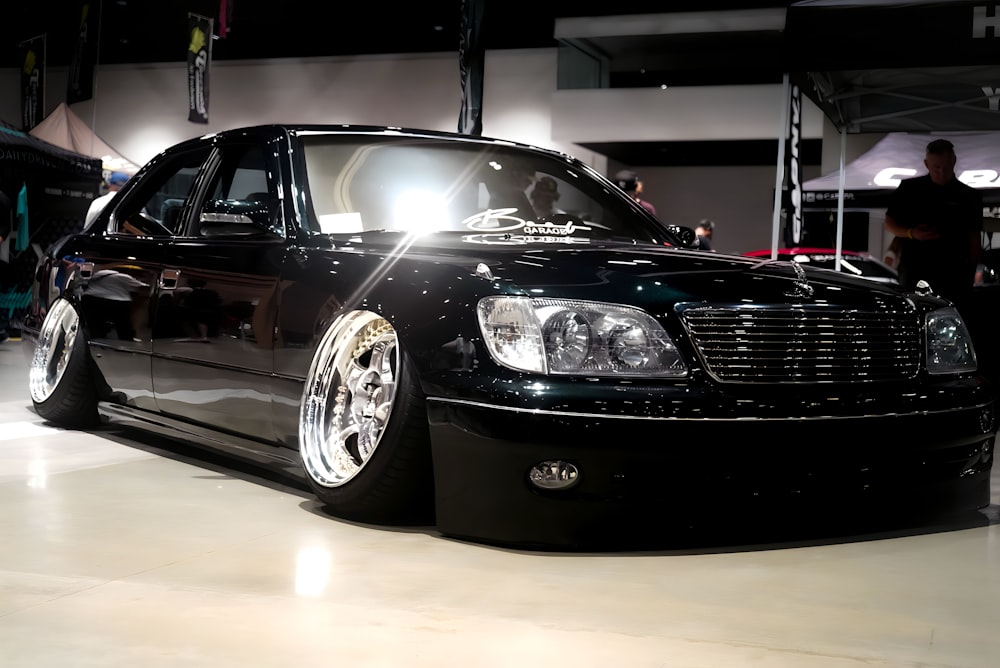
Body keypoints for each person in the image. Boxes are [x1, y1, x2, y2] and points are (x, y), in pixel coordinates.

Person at [883, 138, 982, 312]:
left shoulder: (968, 196)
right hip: (914, 270)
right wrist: (911, 233)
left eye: (946, 166)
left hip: (953, 274)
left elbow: (974, 239)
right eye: (937, 167)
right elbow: (889, 223)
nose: (942, 171)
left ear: (954, 162)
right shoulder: (909, 189)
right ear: (926, 164)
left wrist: (970, 275)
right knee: (914, 316)